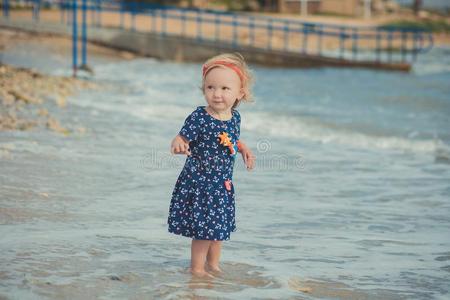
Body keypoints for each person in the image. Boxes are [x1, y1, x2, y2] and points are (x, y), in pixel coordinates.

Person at [168, 53, 255, 278]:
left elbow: (230, 137)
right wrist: (179, 143)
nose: (217, 94)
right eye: (210, 87)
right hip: (201, 183)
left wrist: (242, 147)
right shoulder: (199, 117)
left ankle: (214, 265)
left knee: (218, 231)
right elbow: (182, 137)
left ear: (240, 93)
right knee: (204, 231)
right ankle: (196, 268)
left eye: (225, 88)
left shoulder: (234, 117)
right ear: (204, 89)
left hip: (222, 185)